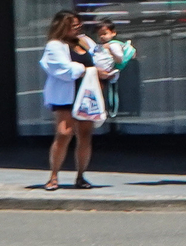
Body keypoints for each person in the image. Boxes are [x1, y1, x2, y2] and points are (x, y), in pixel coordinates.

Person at [37, 10, 111, 191]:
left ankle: (81, 176)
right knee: (64, 133)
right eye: (73, 25)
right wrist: (90, 70)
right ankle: (54, 175)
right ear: (62, 26)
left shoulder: (85, 41)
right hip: (66, 94)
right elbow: (63, 69)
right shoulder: (55, 45)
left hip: (87, 93)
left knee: (85, 135)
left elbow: (100, 58)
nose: (77, 28)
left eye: (78, 24)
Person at [92, 18, 136, 124]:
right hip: (97, 74)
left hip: (108, 73)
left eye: (105, 33)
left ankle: (109, 112)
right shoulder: (98, 46)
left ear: (113, 33)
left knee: (108, 94)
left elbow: (119, 59)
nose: (102, 36)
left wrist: (111, 50)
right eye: (99, 34)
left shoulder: (114, 45)